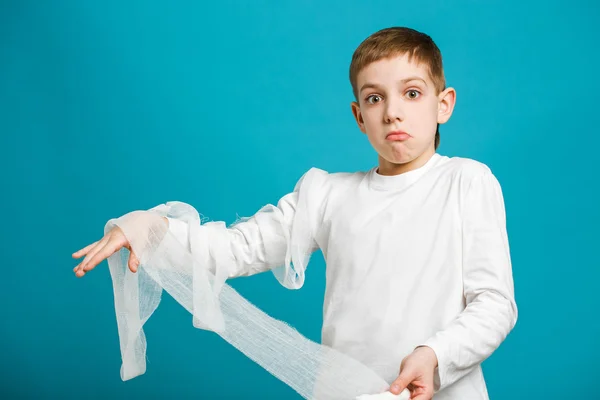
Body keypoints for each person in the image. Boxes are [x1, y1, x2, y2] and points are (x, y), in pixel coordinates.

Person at [72, 27, 517, 399]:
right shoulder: (326, 195)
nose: (393, 112)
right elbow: (237, 248)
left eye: (412, 93)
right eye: (375, 98)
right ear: (359, 116)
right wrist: (155, 228)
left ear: (444, 104)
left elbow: (495, 304)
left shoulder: (466, 182)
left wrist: (435, 356)